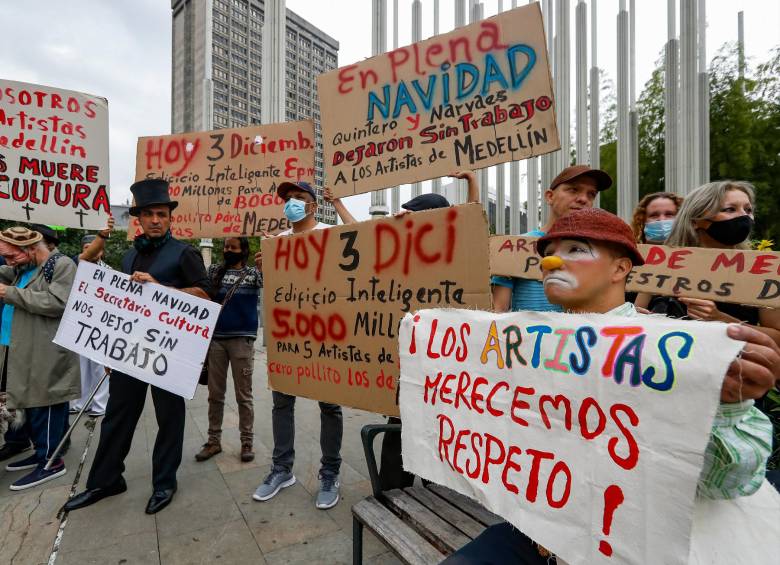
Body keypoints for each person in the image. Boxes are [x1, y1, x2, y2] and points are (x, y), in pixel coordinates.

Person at [444, 208, 778, 564]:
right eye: (548, 253)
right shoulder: (532, 345)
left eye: (575, 249)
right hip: (549, 532)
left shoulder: (670, 349)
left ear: (620, 269)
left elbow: (727, 482)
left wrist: (730, 408)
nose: (551, 262)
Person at [64, 178, 210, 514]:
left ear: (170, 217)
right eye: (149, 214)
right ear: (138, 220)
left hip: (168, 355)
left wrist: (161, 289)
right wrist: (109, 350)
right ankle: (106, 480)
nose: (156, 219)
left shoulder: (185, 253)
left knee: (169, 419)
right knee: (117, 415)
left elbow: (205, 296)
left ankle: (164, 483)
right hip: (130, 353)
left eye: (161, 213)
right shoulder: (130, 256)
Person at [636, 180, 780, 485]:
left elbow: (776, 337)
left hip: (736, 399)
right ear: (698, 219)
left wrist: (720, 318)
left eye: (747, 210)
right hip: (669, 394)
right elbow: (637, 317)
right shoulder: (665, 264)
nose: (743, 217)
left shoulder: (762, 270)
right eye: (730, 209)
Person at [253, 180, 356, 510]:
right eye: (287, 199)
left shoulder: (329, 234)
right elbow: (276, 290)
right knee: (282, 403)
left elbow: (363, 243)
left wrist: (338, 203)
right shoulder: (278, 243)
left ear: (313, 205)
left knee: (330, 405)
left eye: (299, 198)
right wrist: (264, 267)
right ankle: (282, 469)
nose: (291, 203)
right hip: (289, 336)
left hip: (326, 333)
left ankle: (330, 473)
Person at [380, 170, 481, 492]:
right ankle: (393, 491)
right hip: (411, 364)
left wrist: (470, 180)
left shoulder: (455, 252)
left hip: (447, 363)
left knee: (440, 427)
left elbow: (470, 224)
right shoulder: (399, 253)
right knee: (401, 424)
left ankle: (435, 488)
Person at [0, 227, 80, 490]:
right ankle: (40, 453)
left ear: (31, 249)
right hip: (24, 347)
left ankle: (52, 462)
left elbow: (58, 302)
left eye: (12, 256)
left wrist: (8, 293)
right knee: (32, 405)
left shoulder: (62, 264)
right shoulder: (24, 268)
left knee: (46, 405)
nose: (8, 262)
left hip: (47, 351)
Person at [492, 164, 612, 313]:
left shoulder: (597, 252)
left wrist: (626, 313)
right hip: (527, 335)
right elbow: (498, 309)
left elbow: (604, 303)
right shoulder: (513, 247)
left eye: (591, 194)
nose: (583, 199)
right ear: (550, 196)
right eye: (573, 189)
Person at [195, 237, 263, 464]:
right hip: (216, 342)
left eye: (233, 247)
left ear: (243, 251)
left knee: (244, 395)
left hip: (242, 342)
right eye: (226, 247)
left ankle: (247, 442)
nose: (228, 250)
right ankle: (213, 441)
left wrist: (265, 266)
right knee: (215, 395)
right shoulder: (214, 271)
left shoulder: (254, 274)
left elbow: (270, 284)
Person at [70, 220, 115, 417]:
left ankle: (100, 404)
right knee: (80, 365)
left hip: (102, 324)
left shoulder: (110, 273)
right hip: (79, 321)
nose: (92, 250)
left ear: (101, 250)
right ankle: (80, 403)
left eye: (94, 247)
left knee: (99, 365)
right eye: (86, 248)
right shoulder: (74, 268)